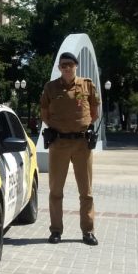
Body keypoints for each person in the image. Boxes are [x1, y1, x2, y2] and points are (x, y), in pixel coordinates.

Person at [39, 52, 100, 246]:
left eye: (70, 65)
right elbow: (44, 114)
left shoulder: (87, 85)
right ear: (59, 68)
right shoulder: (50, 88)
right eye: (63, 65)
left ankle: (88, 231)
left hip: (82, 144)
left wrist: (82, 126)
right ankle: (56, 230)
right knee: (56, 191)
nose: (67, 68)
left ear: (76, 66)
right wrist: (59, 129)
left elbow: (94, 112)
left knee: (86, 191)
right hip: (59, 144)